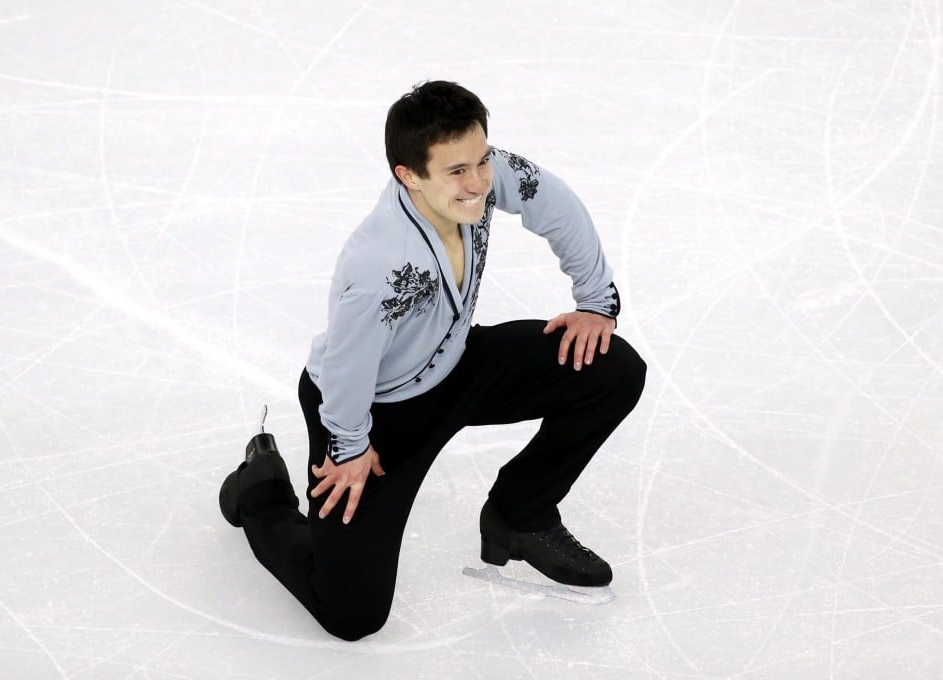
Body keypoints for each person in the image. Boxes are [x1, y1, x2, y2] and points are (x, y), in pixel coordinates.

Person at [219, 81, 646, 641]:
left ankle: (520, 514)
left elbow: (550, 198)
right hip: (373, 412)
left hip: (457, 366)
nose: (478, 183)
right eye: (457, 171)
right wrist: (349, 445)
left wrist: (595, 300)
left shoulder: (478, 178)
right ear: (408, 175)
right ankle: (259, 489)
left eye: (482, 161)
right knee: (351, 613)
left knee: (612, 371)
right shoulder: (381, 263)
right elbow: (346, 365)